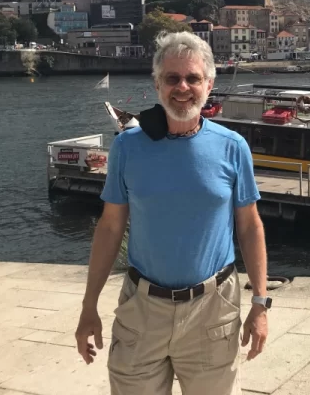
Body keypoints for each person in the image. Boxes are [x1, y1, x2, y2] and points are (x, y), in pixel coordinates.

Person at [75, 31, 270, 395]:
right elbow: (110, 227)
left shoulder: (233, 148)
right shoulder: (127, 147)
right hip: (142, 309)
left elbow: (250, 227)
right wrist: (89, 306)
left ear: (209, 84)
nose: (183, 87)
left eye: (193, 78)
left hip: (214, 310)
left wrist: (260, 304)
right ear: (157, 84)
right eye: (172, 78)